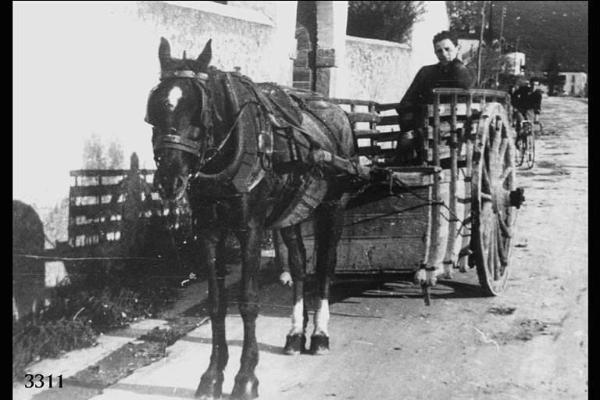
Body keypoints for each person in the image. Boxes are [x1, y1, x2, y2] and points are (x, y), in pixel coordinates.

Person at [394, 31, 474, 163]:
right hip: (420, 123)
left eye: (447, 49)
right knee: (408, 138)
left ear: (458, 48)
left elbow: (465, 83)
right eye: (439, 51)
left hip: (449, 127)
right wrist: (409, 125)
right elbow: (407, 100)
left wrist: (455, 63)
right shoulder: (426, 72)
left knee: (413, 138)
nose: (443, 54)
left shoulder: (464, 72)